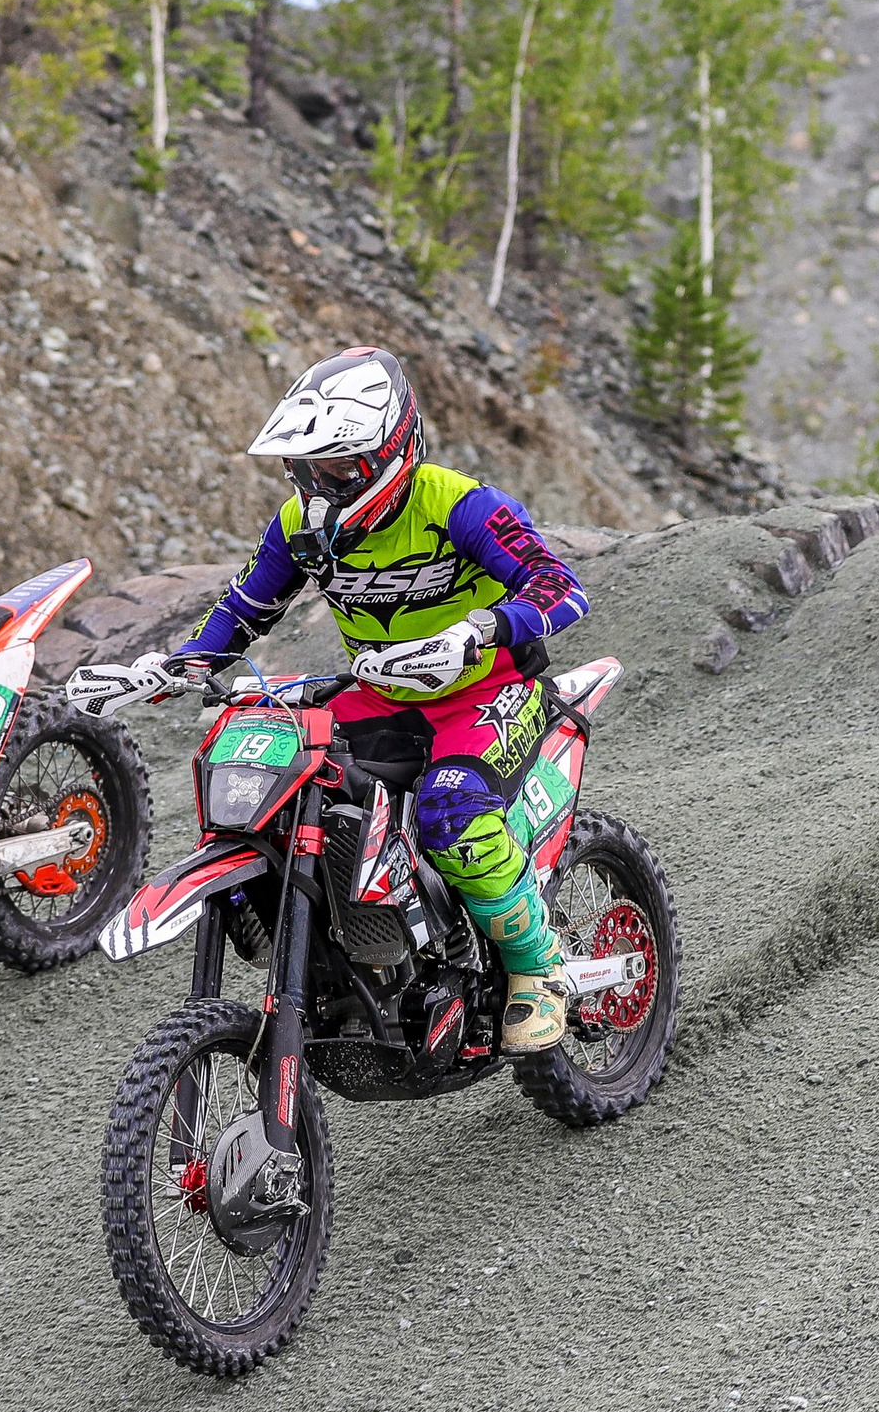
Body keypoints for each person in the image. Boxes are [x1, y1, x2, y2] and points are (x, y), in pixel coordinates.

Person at [73, 347, 589, 1051]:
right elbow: (245, 607)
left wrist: (478, 630)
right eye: (304, 470)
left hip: (488, 690)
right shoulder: (299, 527)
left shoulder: (462, 506)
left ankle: (538, 964)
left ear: (391, 451)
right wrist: (174, 667)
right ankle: (313, 909)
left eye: (337, 469)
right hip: (381, 694)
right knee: (268, 752)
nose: (318, 489)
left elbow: (561, 587)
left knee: (450, 807)